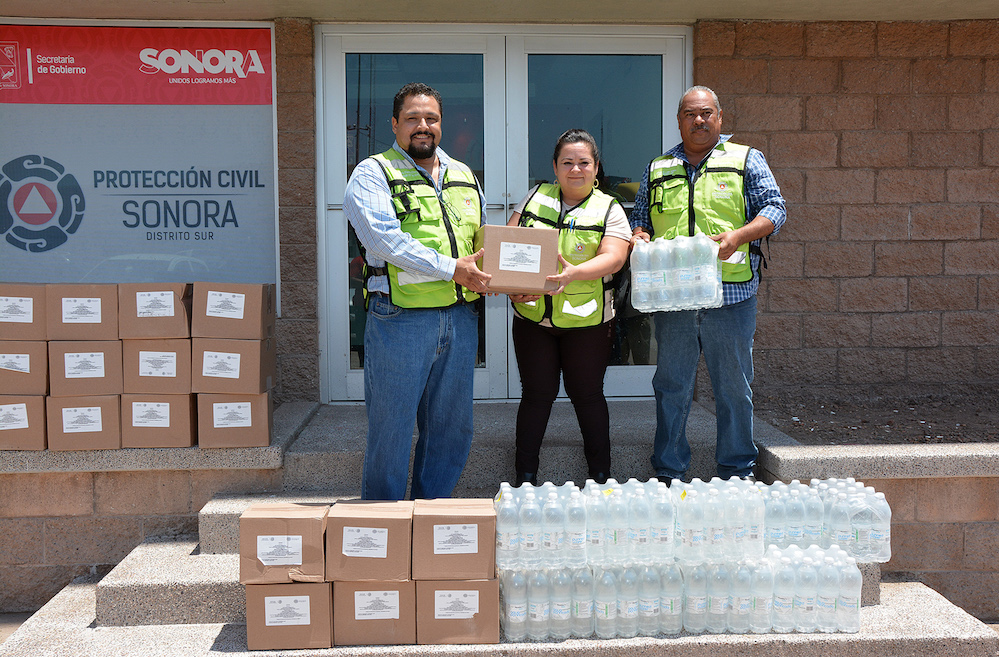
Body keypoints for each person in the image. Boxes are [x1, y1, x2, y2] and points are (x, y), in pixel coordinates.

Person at [343, 82, 492, 501]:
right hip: (400, 320)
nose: (422, 126)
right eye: (412, 118)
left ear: (441, 124)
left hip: (459, 318)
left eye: (431, 118)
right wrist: (453, 269)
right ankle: (383, 521)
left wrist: (502, 279)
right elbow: (383, 241)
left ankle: (432, 515)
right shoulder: (373, 173)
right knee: (391, 427)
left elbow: (481, 240)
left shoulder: (464, 175)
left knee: (452, 427)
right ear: (394, 124)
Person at [630, 85, 786, 482]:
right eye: (689, 114)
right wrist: (640, 236)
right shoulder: (658, 167)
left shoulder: (746, 159)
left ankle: (737, 471)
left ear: (719, 118)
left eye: (705, 113)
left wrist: (739, 235)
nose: (698, 120)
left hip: (731, 295)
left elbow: (775, 209)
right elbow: (641, 218)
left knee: (733, 387)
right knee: (671, 387)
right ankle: (669, 472)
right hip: (675, 297)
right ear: (678, 120)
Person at [507, 129, 631, 486]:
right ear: (555, 167)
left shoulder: (609, 208)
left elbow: (614, 257)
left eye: (584, 162)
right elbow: (509, 244)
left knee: (587, 396)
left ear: (596, 168)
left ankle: (601, 477)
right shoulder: (535, 196)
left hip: (587, 322)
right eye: (567, 162)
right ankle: (524, 479)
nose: (575, 169)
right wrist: (512, 286)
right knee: (536, 396)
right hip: (533, 320)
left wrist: (573, 273)